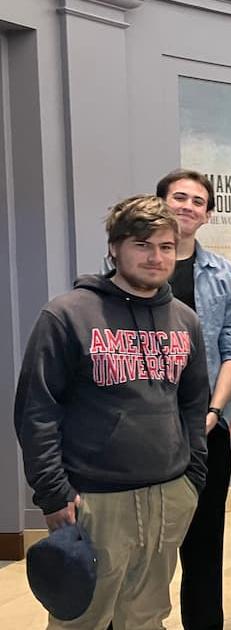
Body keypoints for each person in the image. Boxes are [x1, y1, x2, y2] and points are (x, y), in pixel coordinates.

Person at [15, 195, 208, 629]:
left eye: (165, 246)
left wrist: (191, 480)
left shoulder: (184, 320)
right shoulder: (67, 315)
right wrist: (53, 492)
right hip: (93, 500)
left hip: (168, 495)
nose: (156, 257)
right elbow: (37, 411)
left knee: (146, 617)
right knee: (82, 620)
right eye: (142, 245)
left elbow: (194, 403)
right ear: (114, 248)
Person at [154, 169, 231, 630]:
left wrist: (215, 410)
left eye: (197, 201)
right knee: (143, 547)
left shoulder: (223, 273)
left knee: (203, 547)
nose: (187, 206)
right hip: (142, 432)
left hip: (202, 429)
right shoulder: (133, 268)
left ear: (207, 213)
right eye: (179, 197)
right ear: (160, 203)